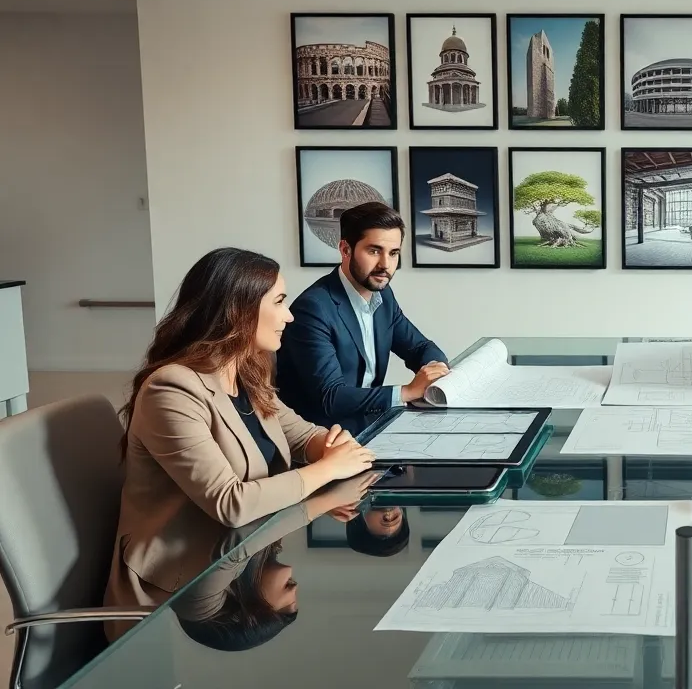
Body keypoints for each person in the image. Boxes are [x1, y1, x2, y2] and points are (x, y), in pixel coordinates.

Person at [110, 249, 376, 634]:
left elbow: (301, 435)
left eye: (288, 586)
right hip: (172, 590)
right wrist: (328, 469)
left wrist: (329, 445)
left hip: (240, 545)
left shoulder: (246, 371)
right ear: (239, 311)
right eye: (280, 302)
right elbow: (231, 504)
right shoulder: (171, 390)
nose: (289, 315)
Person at [276, 202, 450, 427]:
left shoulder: (383, 296)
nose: (385, 265)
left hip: (370, 425)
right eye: (374, 251)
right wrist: (407, 392)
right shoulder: (313, 309)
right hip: (322, 437)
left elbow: (419, 348)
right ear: (345, 250)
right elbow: (330, 398)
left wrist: (436, 371)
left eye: (393, 253)